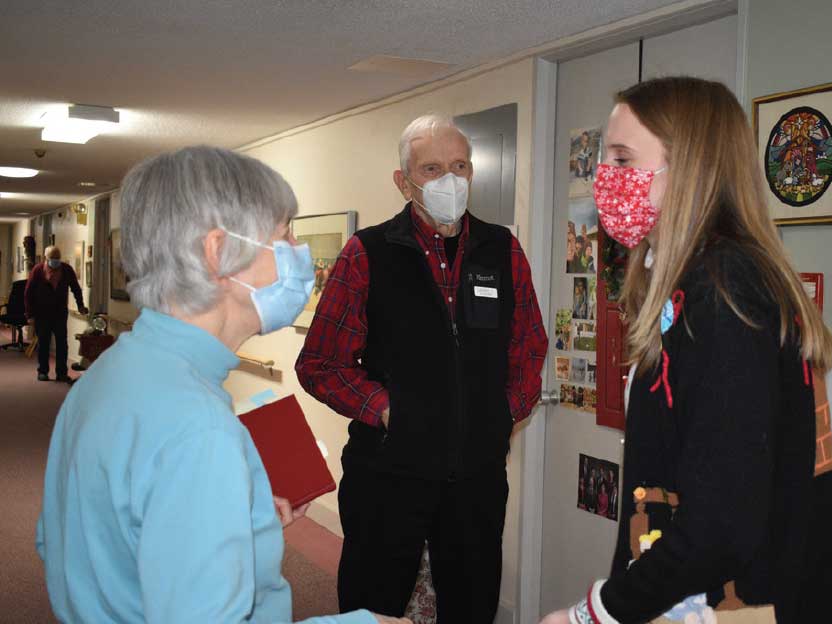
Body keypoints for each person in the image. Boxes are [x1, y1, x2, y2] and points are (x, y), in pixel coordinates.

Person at [36, 146, 408, 624]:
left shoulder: (109, 373)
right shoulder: (198, 427)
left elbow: (74, 543)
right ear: (217, 253)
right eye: (283, 235)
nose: (299, 252)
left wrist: (237, 519)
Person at [540, 77, 832, 624]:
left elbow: (722, 523)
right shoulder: (705, 280)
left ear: (687, 167)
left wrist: (595, 613)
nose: (605, 178)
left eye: (622, 158)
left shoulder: (727, 291)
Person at [295, 114, 548, 623]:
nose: (449, 180)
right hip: (388, 475)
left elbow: (529, 347)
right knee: (373, 605)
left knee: (472, 607)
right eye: (432, 169)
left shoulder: (502, 251)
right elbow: (320, 362)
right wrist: (388, 411)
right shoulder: (367, 253)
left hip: (475, 481)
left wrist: (502, 411)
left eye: (459, 165)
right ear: (403, 181)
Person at [24, 245, 88, 382]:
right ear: (46, 258)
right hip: (42, 313)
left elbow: (76, 289)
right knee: (44, 343)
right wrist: (29, 314)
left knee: (62, 344)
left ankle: (61, 372)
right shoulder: (38, 270)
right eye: (52, 258)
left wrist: (81, 305)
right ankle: (42, 371)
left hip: (59, 313)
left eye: (57, 258)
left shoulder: (66, 270)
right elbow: (28, 293)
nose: (55, 261)